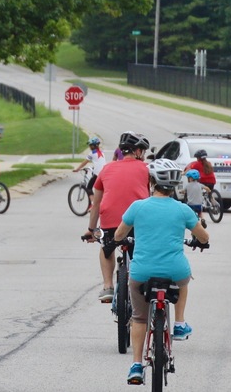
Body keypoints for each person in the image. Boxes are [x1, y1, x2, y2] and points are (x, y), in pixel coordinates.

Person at [114, 158, 209, 385]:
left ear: (152, 181)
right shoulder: (183, 209)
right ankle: (179, 322)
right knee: (184, 280)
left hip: (141, 272)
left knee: (138, 318)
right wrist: (200, 241)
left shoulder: (138, 207)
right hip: (174, 271)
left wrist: (122, 237)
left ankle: (136, 364)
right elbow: (204, 237)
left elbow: (118, 235)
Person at [82, 131, 150, 303]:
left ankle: (108, 287)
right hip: (138, 222)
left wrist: (91, 230)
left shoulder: (107, 169)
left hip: (111, 222)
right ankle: (141, 285)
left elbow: (95, 204)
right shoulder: (146, 168)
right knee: (142, 251)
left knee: (107, 248)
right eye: (142, 150)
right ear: (137, 151)